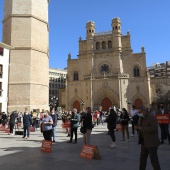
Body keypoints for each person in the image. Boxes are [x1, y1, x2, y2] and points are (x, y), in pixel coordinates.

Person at [135, 105, 161, 170]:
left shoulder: (152, 117)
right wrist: (137, 128)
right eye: (138, 112)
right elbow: (139, 126)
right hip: (143, 142)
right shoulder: (141, 118)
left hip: (151, 142)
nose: (139, 114)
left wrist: (141, 128)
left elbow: (154, 128)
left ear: (144, 111)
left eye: (139, 112)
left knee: (153, 160)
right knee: (142, 158)